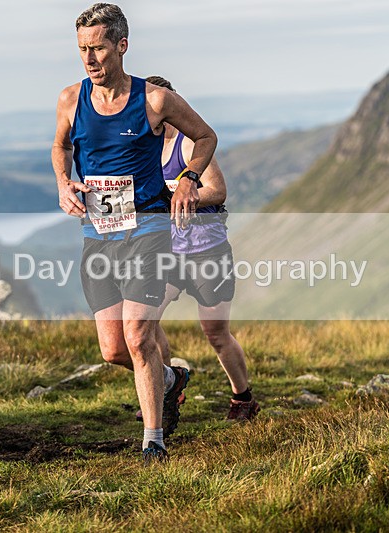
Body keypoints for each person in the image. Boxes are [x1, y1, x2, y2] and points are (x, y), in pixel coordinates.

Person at [52, 3, 218, 464]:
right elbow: (60, 145)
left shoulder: (154, 100)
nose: (90, 59)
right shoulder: (71, 99)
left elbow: (206, 137)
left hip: (148, 226)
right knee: (112, 349)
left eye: (99, 49)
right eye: (83, 49)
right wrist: (64, 182)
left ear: (121, 46)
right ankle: (168, 379)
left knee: (139, 334)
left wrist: (187, 178)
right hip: (98, 232)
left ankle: (153, 441)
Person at [118, 76, 259, 423]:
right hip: (166, 253)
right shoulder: (142, 150)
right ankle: (165, 391)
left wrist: (177, 194)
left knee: (215, 333)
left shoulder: (188, 144)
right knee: (145, 324)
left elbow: (218, 191)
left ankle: (243, 399)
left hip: (206, 253)